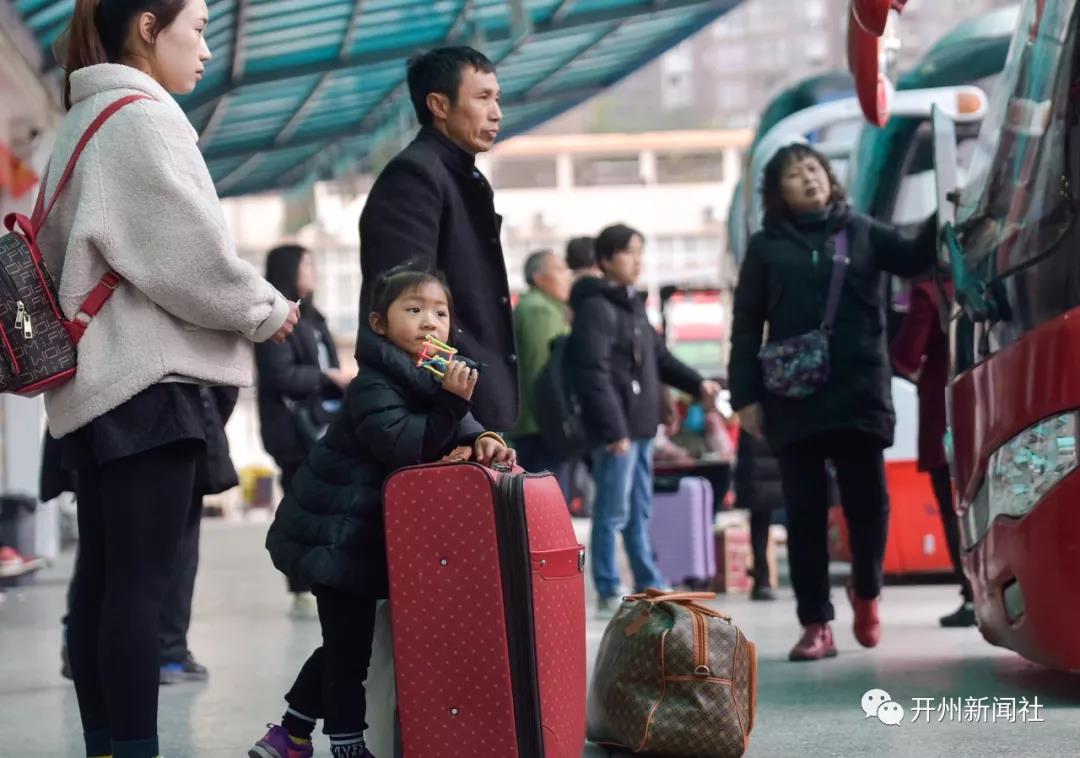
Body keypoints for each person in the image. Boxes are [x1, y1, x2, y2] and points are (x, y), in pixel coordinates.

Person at [41, 3, 299, 757]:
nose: (208, 49)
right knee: (140, 591)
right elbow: (187, 255)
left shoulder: (83, 120)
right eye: (197, 27)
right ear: (148, 29)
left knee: (105, 582)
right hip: (146, 382)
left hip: (99, 389)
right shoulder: (140, 119)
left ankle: (106, 744)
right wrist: (266, 309)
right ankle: (136, 748)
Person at [253, 267, 515, 758]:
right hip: (336, 536)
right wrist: (452, 407)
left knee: (344, 644)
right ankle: (346, 746)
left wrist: (482, 437)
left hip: (361, 537)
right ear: (378, 323)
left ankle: (287, 734)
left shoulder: (427, 374)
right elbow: (404, 444)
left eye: (440, 312)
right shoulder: (374, 383)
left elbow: (459, 423)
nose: (429, 322)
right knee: (349, 653)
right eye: (412, 310)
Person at [728, 143, 936, 662]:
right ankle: (816, 621)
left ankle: (866, 591)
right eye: (795, 174)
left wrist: (944, 212)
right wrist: (745, 396)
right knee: (803, 512)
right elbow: (746, 325)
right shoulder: (766, 247)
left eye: (814, 169)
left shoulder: (861, 230)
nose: (808, 178)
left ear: (829, 178)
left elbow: (914, 256)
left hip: (858, 388)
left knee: (868, 502)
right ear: (779, 192)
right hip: (791, 395)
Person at [358, 46, 517, 431]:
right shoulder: (415, 177)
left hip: (462, 406)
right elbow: (408, 312)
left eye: (497, 98)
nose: (496, 112)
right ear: (438, 105)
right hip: (439, 414)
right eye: (482, 98)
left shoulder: (461, 176)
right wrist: (457, 413)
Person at [569, 224, 721, 617]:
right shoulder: (595, 307)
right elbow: (593, 372)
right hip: (618, 430)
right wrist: (613, 428)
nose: (637, 261)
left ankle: (647, 578)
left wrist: (697, 383)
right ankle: (606, 585)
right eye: (629, 253)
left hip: (640, 426)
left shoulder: (632, 304)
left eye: (640, 252)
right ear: (605, 260)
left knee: (640, 508)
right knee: (611, 510)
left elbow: (661, 359)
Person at [256, 245, 350, 618]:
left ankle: (321, 577)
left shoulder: (315, 317)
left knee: (326, 503)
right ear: (288, 268)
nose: (313, 270)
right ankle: (300, 583)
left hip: (322, 422)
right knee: (300, 503)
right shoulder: (273, 318)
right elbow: (280, 375)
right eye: (306, 263)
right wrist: (327, 377)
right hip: (292, 430)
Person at [890, 279, 974, 627]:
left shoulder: (927, 292)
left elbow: (907, 354)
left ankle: (970, 596)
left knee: (951, 506)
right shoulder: (976, 278)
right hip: (985, 400)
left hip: (944, 410)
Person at [510, 249, 573, 498]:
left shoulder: (547, 307)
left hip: (538, 423)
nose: (566, 276)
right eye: (558, 270)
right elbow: (544, 372)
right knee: (548, 503)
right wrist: (558, 422)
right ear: (538, 277)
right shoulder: (539, 310)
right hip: (540, 425)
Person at [733, 429, 785, 601]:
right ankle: (809, 579)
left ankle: (762, 578)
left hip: (758, 438)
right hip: (787, 437)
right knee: (800, 513)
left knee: (760, 518)